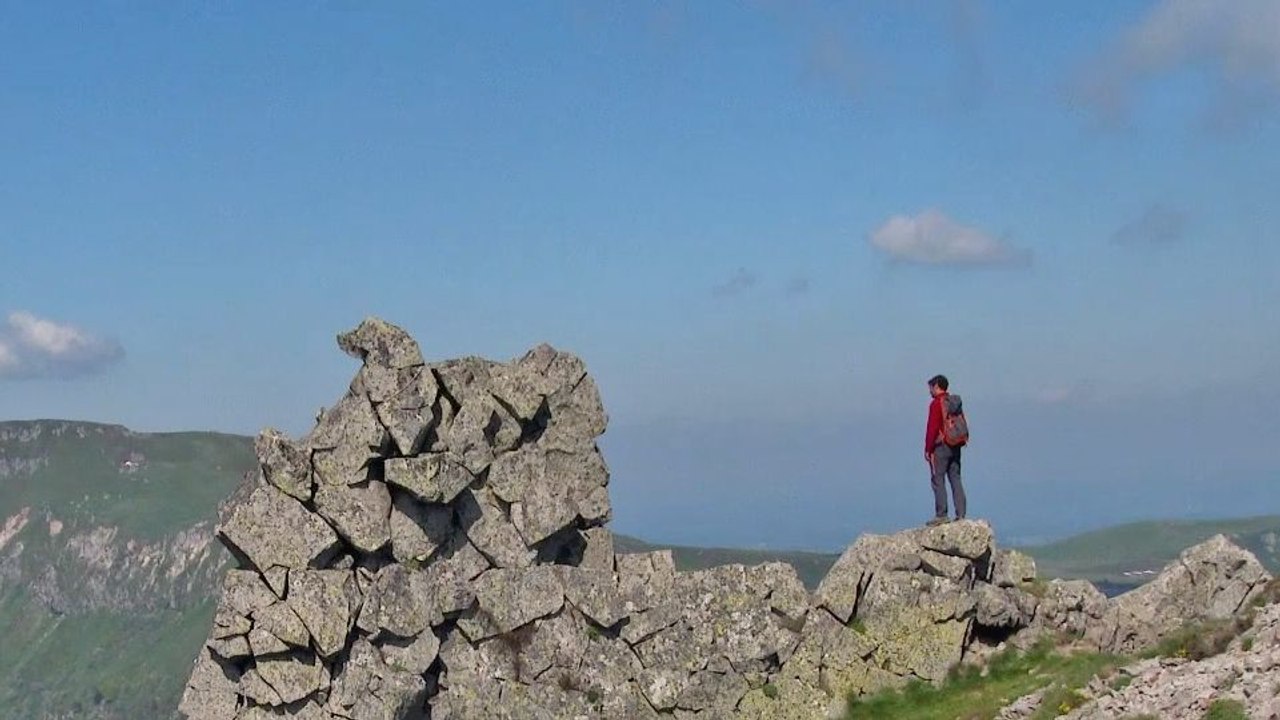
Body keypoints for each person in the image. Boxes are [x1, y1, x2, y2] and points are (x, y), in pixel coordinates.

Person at [925, 374, 966, 526]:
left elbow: (932, 428)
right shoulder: (954, 402)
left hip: (941, 446)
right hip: (955, 444)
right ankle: (961, 514)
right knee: (955, 478)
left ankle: (941, 514)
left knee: (938, 479)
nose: (929, 391)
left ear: (936, 386)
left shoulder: (936, 404)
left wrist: (928, 449)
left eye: (931, 388)